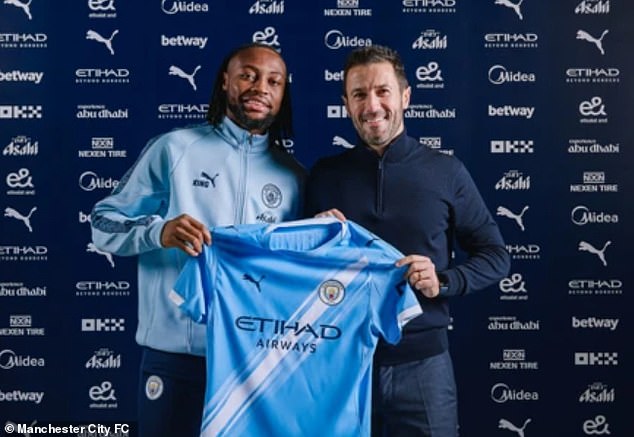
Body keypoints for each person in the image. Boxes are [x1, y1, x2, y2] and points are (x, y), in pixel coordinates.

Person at [90, 43, 305, 437]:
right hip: (177, 360)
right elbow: (103, 224)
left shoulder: (293, 177)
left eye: (274, 82)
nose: (260, 87)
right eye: (248, 75)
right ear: (225, 81)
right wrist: (159, 231)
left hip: (254, 365)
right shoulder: (174, 149)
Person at [304, 45, 510, 437]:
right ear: (346, 104)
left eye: (383, 91)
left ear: (405, 96)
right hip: (340, 365)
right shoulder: (324, 176)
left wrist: (443, 280)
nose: (372, 106)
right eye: (359, 94)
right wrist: (311, 238)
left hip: (423, 368)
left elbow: (496, 256)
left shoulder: (446, 171)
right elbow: (295, 271)